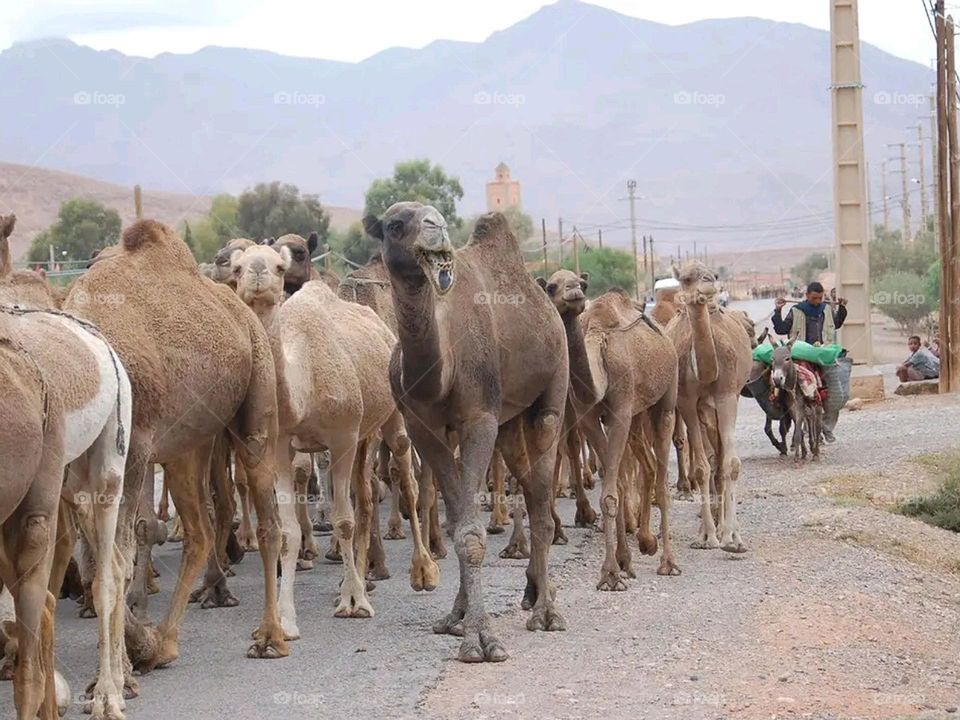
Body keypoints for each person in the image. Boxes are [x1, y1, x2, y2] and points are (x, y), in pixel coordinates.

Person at [772, 281, 847, 345]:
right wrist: (778, 310)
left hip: (823, 352)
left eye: (820, 298)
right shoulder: (796, 311)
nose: (817, 301)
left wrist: (842, 308)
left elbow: (836, 324)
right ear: (807, 295)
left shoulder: (827, 309)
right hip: (801, 354)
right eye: (814, 298)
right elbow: (781, 330)